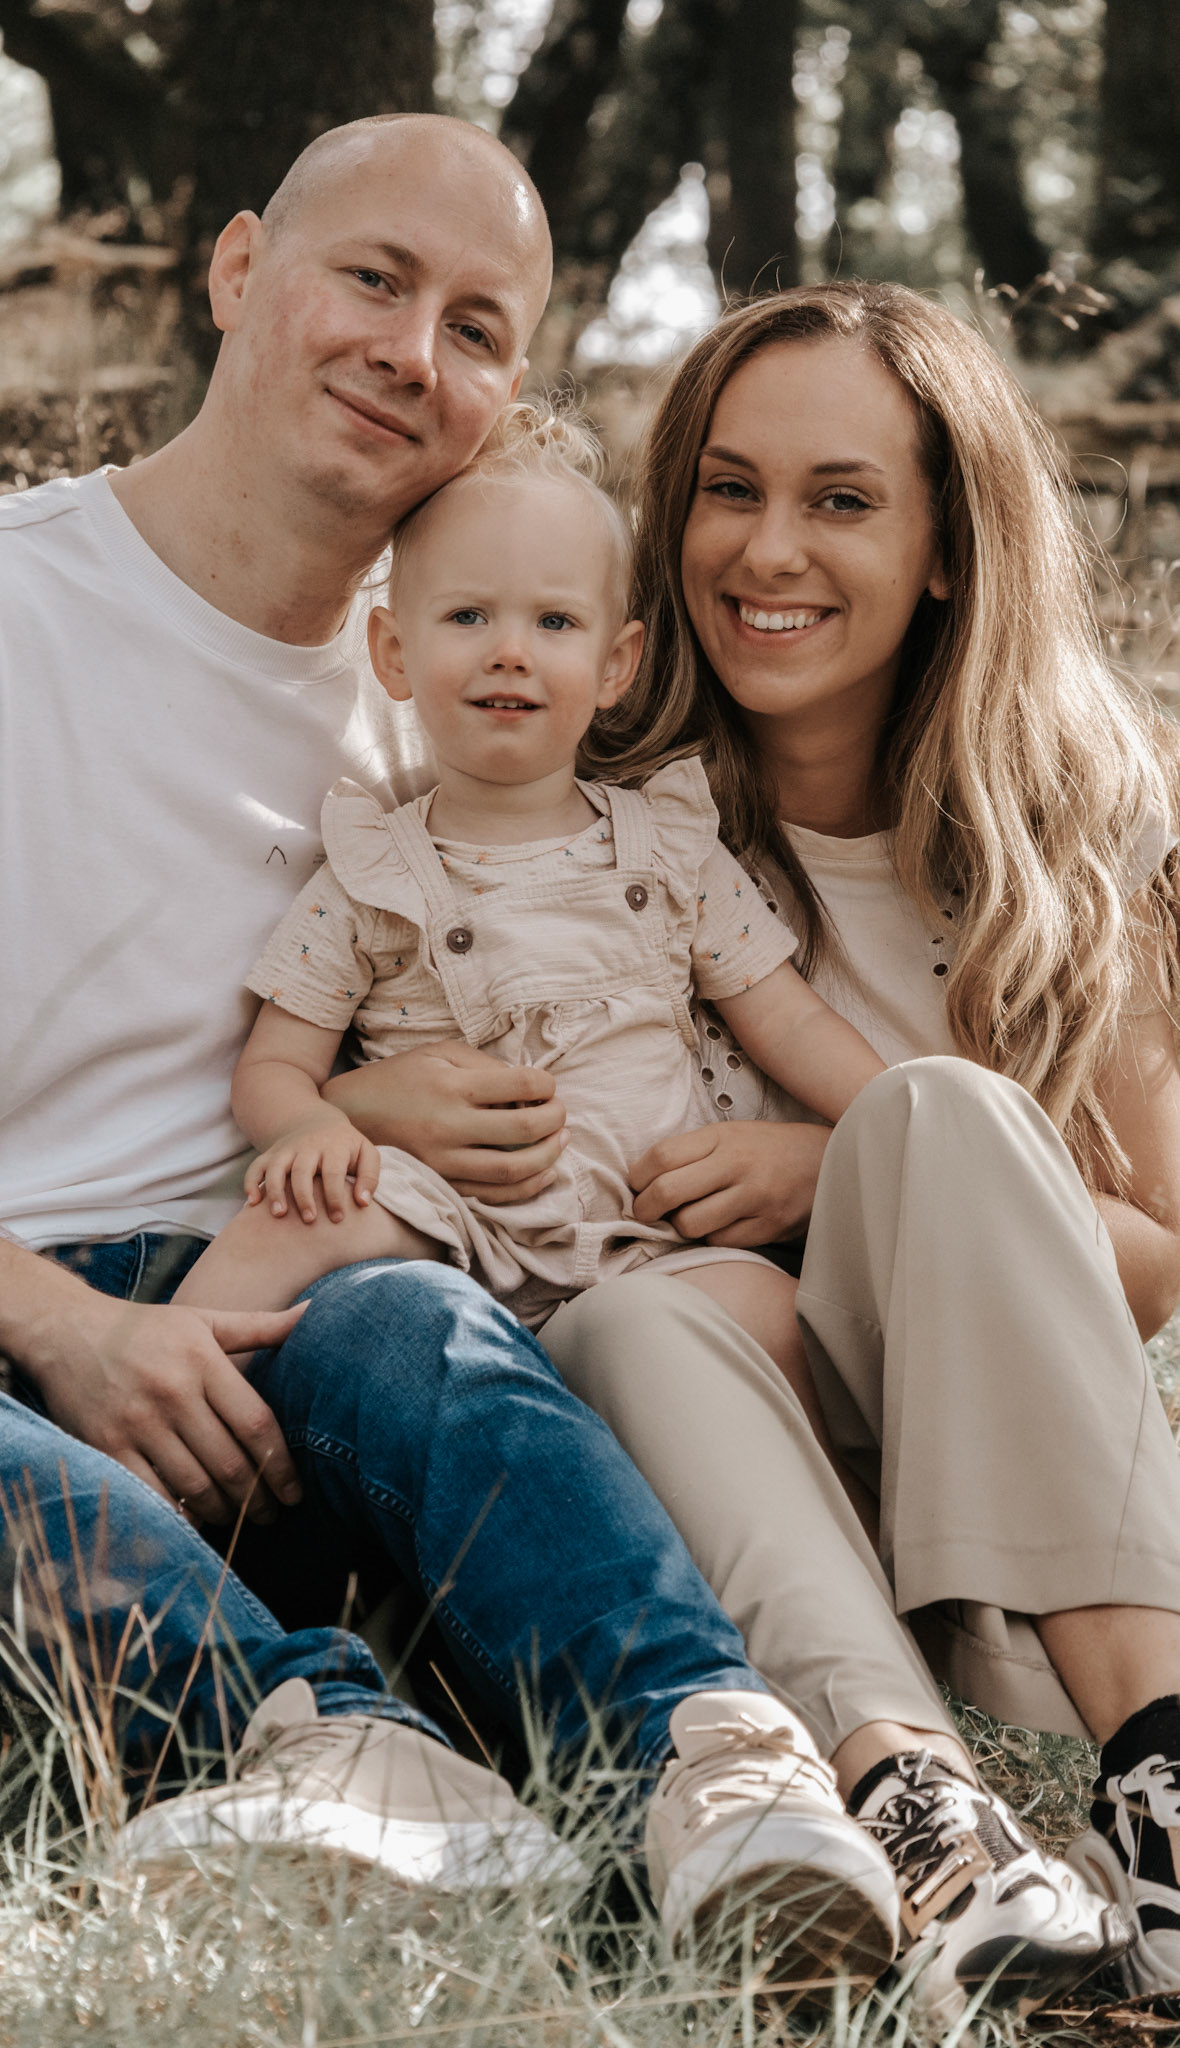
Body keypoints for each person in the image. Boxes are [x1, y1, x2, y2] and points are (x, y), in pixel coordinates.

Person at [0, 114, 926, 1988]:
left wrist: (363, 1110)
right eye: (375, 280)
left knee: (417, 1319)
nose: (414, 353)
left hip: (309, 1352)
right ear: (240, 268)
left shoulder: (464, 681)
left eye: (477, 328)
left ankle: (713, 1762)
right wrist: (73, 1330)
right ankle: (316, 1731)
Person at [487, 279, 1180, 2005]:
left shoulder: (1059, 831)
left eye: (841, 500)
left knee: (931, 1110)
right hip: (720, 1479)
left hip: (1012, 1491)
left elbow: (1160, 1254)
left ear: (946, 548)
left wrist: (841, 1168)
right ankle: (925, 1814)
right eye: (727, 490)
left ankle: (1161, 1775)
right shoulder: (584, 802)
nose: (767, 550)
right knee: (641, 1315)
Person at [169, 402, 884, 1403]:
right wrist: (306, 1129)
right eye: (468, 616)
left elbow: (791, 1021)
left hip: (654, 1230)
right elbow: (275, 1064)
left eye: (553, 622)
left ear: (614, 664)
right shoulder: (372, 873)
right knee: (289, 1219)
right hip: (444, 1217)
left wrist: (892, 1125)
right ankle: (158, 1406)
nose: (509, 651)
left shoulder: (670, 846)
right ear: (393, 652)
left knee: (780, 1323)